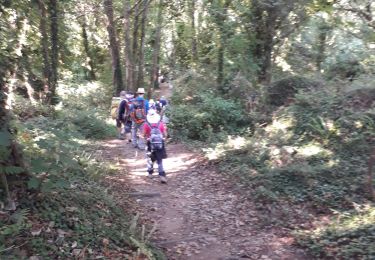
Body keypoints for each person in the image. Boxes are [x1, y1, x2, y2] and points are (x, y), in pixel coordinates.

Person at [143, 109, 168, 183]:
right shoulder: (160, 123)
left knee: (149, 158)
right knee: (159, 160)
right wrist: (164, 139)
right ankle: (161, 175)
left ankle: (150, 172)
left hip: (150, 143)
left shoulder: (146, 124)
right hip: (160, 144)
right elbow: (165, 134)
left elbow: (144, 134)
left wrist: (145, 138)